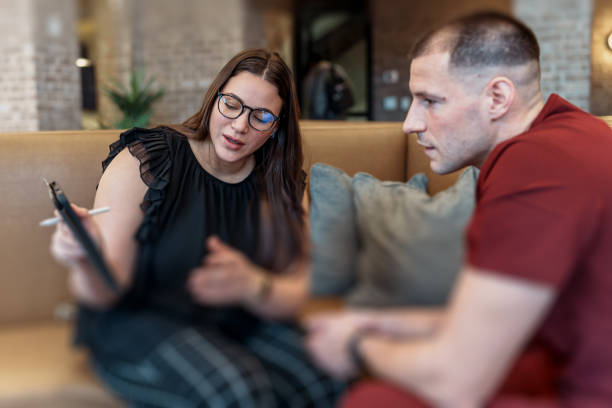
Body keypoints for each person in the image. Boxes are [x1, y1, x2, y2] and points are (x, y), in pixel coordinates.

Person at [305, 12, 612, 407]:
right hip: (563, 359)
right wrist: (386, 323)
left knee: (374, 401)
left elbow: (457, 385)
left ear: (497, 98)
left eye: (430, 101)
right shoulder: (578, 132)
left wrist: (356, 346)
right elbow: (503, 324)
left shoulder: (534, 165)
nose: (409, 123)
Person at [50, 48, 344, 407]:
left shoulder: (281, 184)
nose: (240, 125)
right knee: (241, 393)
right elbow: (108, 291)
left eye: (262, 116)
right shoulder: (148, 160)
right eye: (232, 104)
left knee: (328, 376)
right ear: (214, 98)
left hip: (230, 322)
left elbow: (294, 294)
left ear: (276, 128)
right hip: (137, 324)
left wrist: (252, 285)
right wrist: (84, 257)